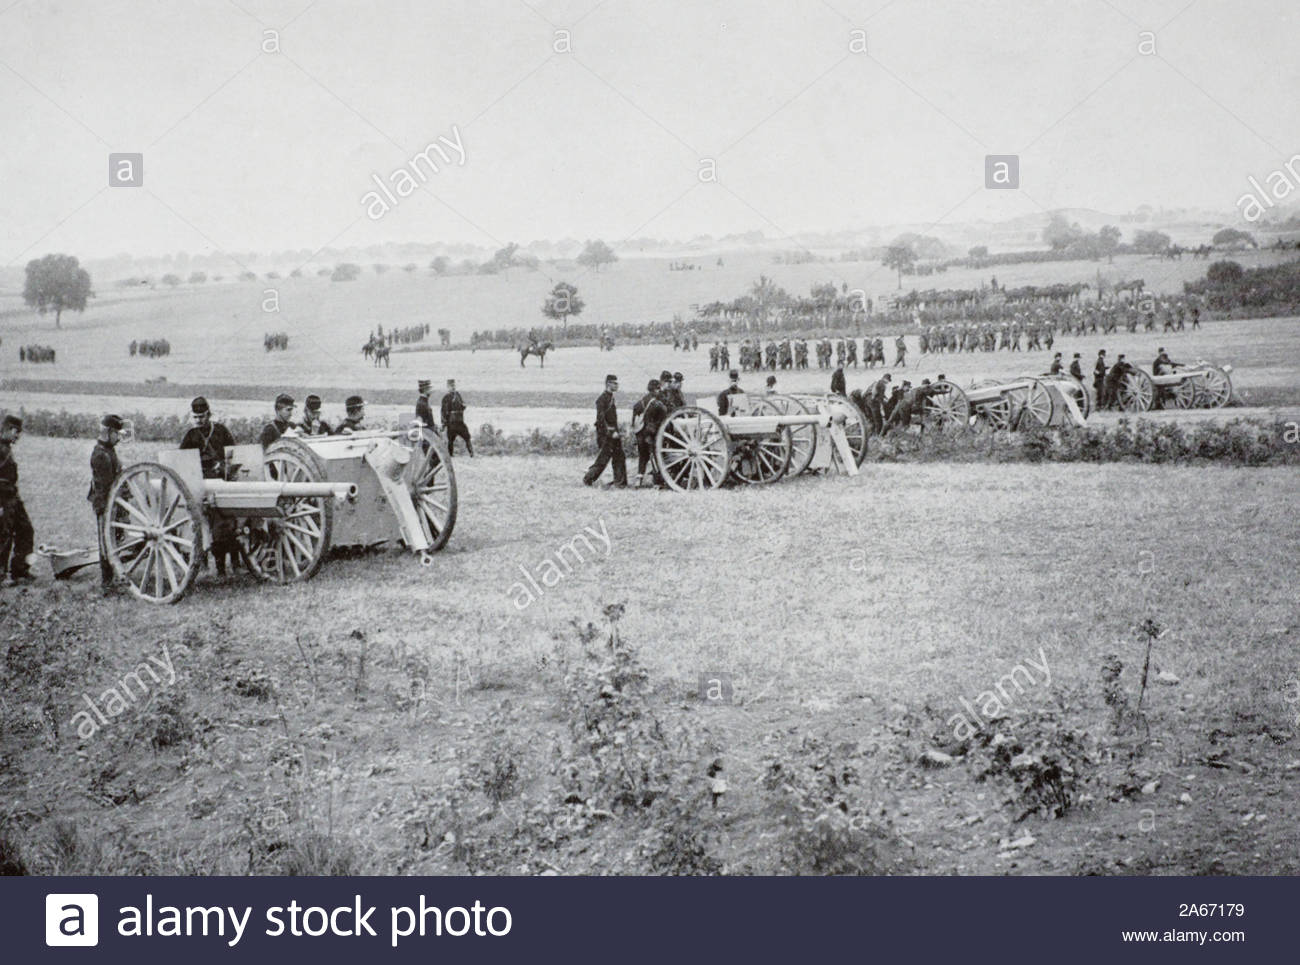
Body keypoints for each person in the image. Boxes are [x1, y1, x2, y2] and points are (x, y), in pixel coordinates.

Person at [87, 414, 124, 592]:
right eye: (117, 433)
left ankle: (112, 577)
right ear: (108, 432)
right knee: (105, 542)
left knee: (112, 539)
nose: (119, 437)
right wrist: (109, 508)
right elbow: (106, 486)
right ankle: (107, 582)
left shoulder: (108, 450)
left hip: (112, 502)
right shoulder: (100, 455)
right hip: (105, 503)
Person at [0, 415, 35, 585]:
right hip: (3, 498)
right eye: (15, 432)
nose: (17, 436)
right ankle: (1, 576)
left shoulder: (6, 447)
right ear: (6, 429)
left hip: (13, 497)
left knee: (26, 530)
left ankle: (20, 570)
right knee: (4, 535)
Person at [582, 374, 627, 487]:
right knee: (603, 459)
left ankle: (620, 483)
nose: (617, 385)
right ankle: (588, 478)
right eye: (615, 383)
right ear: (608, 384)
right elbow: (601, 420)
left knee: (619, 457)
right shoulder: (602, 399)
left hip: (613, 434)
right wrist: (611, 432)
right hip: (607, 435)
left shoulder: (610, 397)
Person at [179, 397, 235, 479]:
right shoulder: (191, 434)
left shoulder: (221, 430)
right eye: (195, 417)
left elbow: (232, 450)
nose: (198, 420)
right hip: (198, 476)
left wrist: (225, 465)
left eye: (201, 417)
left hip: (220, 475)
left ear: (209, 415)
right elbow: (182, 456)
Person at [632, 379, 668, 488]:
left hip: (640, 433)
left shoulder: (642, 401)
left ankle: (639, 480)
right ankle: (657, 482)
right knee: (655, 457)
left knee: (642, 457)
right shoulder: (658, 404)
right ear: (656, 390)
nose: (659, 391)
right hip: (650, 434)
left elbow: (635, 413)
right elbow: (664, 418)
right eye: (658, 389)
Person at [441, 379, 473, 456]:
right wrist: (444, 423)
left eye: (454, 385)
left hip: (460, 421)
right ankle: (450, 455)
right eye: (451, 386)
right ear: (447, 387)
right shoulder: (446, 397)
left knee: (467, 436)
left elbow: (462, 406)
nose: (453, 387)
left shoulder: (458, 395)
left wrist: (464, 406)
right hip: (451, 422)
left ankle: (472, 454)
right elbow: (444, 411)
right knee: (450, 440)